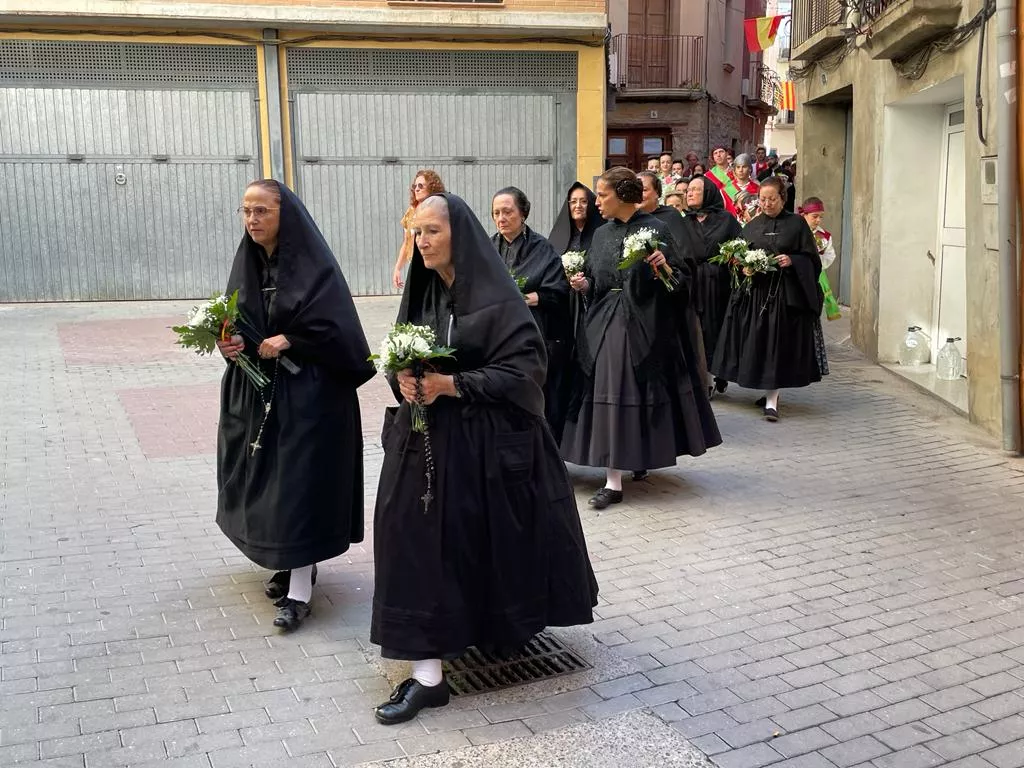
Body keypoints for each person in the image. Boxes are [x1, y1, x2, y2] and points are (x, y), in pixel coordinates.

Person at [371, 193, 598, 725]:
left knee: (482, 546)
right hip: (424, 445)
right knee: (414, 540)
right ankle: (428, 674)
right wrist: (400, 377)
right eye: (416, 231)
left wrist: (455, 383)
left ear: (459, 235)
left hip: (488, 448)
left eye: (432, 231)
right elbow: (396, 351)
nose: (422, 241)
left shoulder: (497, 296)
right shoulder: (423, 291)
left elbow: (526, 371)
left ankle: (491, 630)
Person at [216, 180, 375, 632]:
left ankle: (300, 591)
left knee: (301, 488)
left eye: (261, 211)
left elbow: (340, 328)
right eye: (246, 211)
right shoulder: (248, 263)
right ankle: (286, 563)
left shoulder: (314, 266)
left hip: (310, 398)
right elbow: (236, 318)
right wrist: (228, 344)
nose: (252, 220)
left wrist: (294, 338)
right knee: (269, 485)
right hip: (260, 396)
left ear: (285, 214)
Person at [561, 167, 721, 509]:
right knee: (611, 393)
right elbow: (596, 281)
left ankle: (633, 462)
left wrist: (663, 266)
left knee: (631, 393)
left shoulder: (658, 228)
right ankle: (613, 479)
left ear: (622, 195)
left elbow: (680, 282)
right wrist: (583, 285)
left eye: (602, 196)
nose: (596, 202)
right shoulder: (601, 234)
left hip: (646, 323)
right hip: (605, 322)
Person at [712, 177, 824, 422]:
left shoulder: (797, 225)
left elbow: (812, 261)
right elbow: (738, 256)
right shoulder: (752, 226)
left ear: (783, 198)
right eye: (762, 199)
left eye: (772, 199)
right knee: (757, 343)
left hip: (784, 297)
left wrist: (793, 260)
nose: (766, 203)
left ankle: (772, 398)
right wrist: (743, 266)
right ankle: (755, 386)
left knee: (776, 345)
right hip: (755, 296)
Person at [491, 187, 571, 440]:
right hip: (495, 335)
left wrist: (522, 300)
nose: (501, 218)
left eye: (507, 211)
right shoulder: (488, 247)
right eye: (496, 213)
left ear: (523, 213)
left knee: (535, 396)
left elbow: (557, 292)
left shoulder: (542, 248)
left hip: (533, 333)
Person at [681, 175, 743, 397]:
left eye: (695, 189)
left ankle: (721, 371)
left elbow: (740, 246)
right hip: (693, 282)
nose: (689, 193)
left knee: (718, 329)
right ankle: (704, 380)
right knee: (699, 330)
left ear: (708, 192)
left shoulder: (726, 220)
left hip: (719, 283)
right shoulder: (683, 221)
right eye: (688, 190)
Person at [392, 170, 445, 290]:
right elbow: (406, 243)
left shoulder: (440, 210)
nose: (416, 189)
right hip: (416, 265)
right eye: (415, 186)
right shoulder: (411, 212)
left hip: (435, 266)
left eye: (421, 186)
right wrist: (398, 268)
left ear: (432, 187)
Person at [800, 197, 842, 321]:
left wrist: (816, 262)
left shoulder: (824, 236)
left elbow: (830, 255)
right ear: (804, 215)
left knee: (813, 310)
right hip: (798, 276)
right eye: (815, 216)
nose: (818, 220)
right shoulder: (795, 231)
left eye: (821, 217)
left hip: (816, 277)